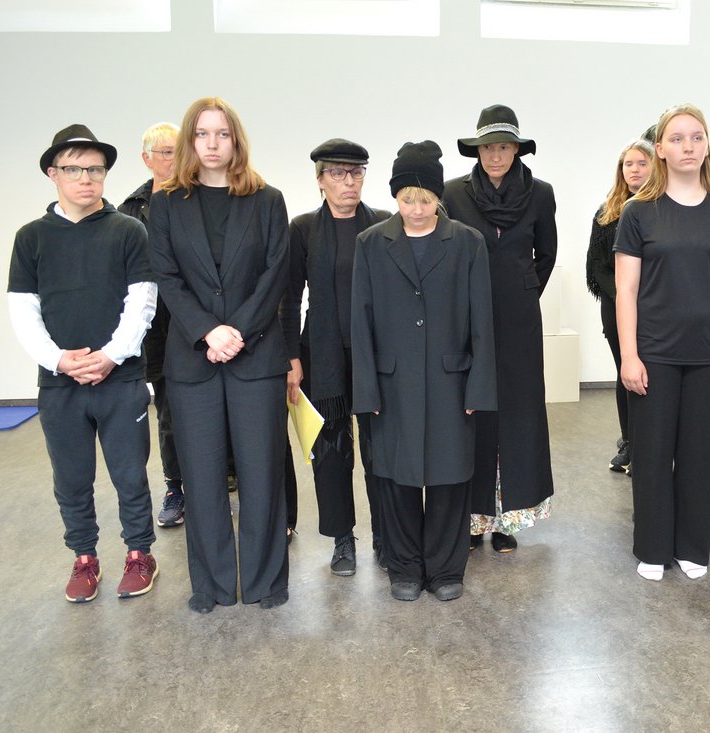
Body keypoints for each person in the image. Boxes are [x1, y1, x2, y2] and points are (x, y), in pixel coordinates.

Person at [148, 97, 291, 613]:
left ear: (236, 141)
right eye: (203, 134)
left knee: (262, 476)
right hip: (194, 362)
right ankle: (210, 586)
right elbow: (167, 278)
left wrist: (238, 332)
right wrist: (209, 332)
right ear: (190, 140)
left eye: (222, 134)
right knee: (203, 478)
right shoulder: (167, 204)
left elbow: (275, 273)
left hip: (256, 358)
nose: (212, 144)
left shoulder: (267, 200)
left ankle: (265, 582)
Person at [7, 124, 159, 602]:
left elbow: (143, 302)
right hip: (60, 385)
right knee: (71, 479)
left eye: (95, 169)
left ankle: (139, 553)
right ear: (53, 174)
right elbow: (23, 310)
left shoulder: (129, 231)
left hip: (121, 379)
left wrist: (111, 356)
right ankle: (84, 557)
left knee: (130, 475)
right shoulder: (31, 238)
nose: (86, 178)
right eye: (74, 169)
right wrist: (58, 360)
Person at [352, 141, 496, 601]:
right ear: (395, 196)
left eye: (426, 199)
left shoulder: (467, 243)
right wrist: (366, 391)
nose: (416, 209)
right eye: (407, 199)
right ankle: (405, 568)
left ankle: (446, 569)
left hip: (452, 380)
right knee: (397, 478)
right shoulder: (371, 244)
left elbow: (482, 321)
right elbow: (361, 321)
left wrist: (479, 388)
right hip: (392, 384)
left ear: (439, 197)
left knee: (450, 477)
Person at [614, 104, 710, 581]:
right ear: (660, 149)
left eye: (696, 137)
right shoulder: (638, 212)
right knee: (652, 454)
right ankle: (652, 548)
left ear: (707, 145)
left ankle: (693, 546)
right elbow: (626, 289)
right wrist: (629, 355)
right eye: (676, 138)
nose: (687, 146)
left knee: (698, 455)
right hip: (654, 352)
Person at [442, 104, 556, 553]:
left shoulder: (541, 193)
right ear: (477, 150)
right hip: (468, 316)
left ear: (517, 150)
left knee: (518, 412)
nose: (495, 155)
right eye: (488, 147)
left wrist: (522, 290)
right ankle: (474, 517)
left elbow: (546, 254)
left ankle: (509, 518)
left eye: (504, 147)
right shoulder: (454, 193)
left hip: (519, 320)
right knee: (474, 410)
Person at [282, 138, 390, 575]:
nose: (349, 182)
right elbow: (289, 298)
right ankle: (343, 538)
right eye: (338, 173)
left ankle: (386, 533)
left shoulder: (383, 223)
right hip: (322, 353)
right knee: (330, 451)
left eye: (356, 172)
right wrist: (291, 358)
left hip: (375, 353)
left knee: (380, 448)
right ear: (320, 179)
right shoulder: (303, 229)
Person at [119, 122, 186, 528]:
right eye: (166, 152)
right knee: (168, 412)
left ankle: (223, 475)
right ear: (147, 159)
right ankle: (176, 487)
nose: (175, 159)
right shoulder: (130, 210)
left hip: (196, 323)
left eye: (179, 150)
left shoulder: (199, 198)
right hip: (156, 330)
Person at [584, 139, 654, 474]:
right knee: (624, 371)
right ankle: (629, 442)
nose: (634, 170)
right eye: (629, 164)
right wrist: (623, 295)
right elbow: (596, 266)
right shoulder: (606, 212)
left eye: (641, 163)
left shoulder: (662, 208)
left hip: (654, 306)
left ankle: (651, 443)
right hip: (615, 305)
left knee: (652, 374)